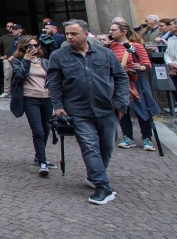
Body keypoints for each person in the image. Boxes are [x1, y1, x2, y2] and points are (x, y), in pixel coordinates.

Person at [47, 20, 129, 205]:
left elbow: (121, 78)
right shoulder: (58, 56)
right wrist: (58, 106)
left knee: (107, 146)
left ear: (86, 34)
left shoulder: (105, 53)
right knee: (89, 146)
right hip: (77, 110)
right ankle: (102, 186)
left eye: (74, 34)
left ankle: (95, 175)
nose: (69, 37)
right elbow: (54, 82)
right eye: (67, 34)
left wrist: (120, 103)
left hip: (106, 108)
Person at [107, 20, 159, 151]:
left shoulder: (135, 46)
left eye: (114, 30)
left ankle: (147, 137)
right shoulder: (111, 47)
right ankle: (127, 137)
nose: (110, 32)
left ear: (124, 32)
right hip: (119, 82)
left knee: (142, 109)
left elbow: (147, 63)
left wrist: (140, 67)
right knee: (122, 109)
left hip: (135, 81)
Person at [8, 35, 54, 176]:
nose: (33, 48)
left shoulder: (44, 61)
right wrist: (26, 61)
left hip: (46, 98)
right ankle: (42, 161)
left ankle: (39, 155)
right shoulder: (18, 61)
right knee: (38, 131)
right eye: (29, 46)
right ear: (23, 47)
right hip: (30, 99)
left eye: (35, 45)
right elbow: (20, 77)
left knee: (46, 130)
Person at [0, 23, 19, 99]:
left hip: (19, 59)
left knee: (20, 75)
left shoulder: (20, 38)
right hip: (7, 59)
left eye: (12, 27)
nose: (10, 28)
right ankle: (7, 92)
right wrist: (0, 56)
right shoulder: (4, 37)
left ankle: (20, 91)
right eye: (8, 26)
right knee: (7, 76)